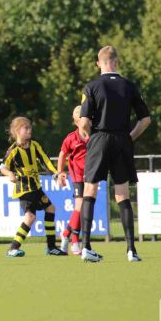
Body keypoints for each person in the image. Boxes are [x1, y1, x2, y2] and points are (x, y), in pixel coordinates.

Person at [79, 46, 151, 263]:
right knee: (122, 194)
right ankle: (131, 250)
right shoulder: (129, 86)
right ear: (116, 62)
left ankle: (86, 247)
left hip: (99, 139)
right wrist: (130, 137)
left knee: (90, 190)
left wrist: (89, 137)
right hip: (122, 140)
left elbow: (84, 122)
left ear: (98, 63)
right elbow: (145, 119)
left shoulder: (91, 86)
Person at [1, 116, 67, 258]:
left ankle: (51, 247)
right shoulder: (13, 150)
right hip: (24, 189)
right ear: (17, 131)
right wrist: (9, 174)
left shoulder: (34, 145)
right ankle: (12, 248)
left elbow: (45, 161)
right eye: (26, 128)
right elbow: (2, 167)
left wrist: (56, 175)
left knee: (50, 208)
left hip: (36, 188)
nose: (29, 130)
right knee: (30, 217)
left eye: (30, 127)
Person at [57, 105, 87, 255]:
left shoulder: (94, 135)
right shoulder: (71, 138)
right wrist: (60, 172)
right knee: (80, 206)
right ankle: (74, 241)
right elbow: (62, 154)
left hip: (90, 176)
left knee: (83, 209)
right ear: (76, 122)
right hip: (77, 176)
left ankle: (66, 234)